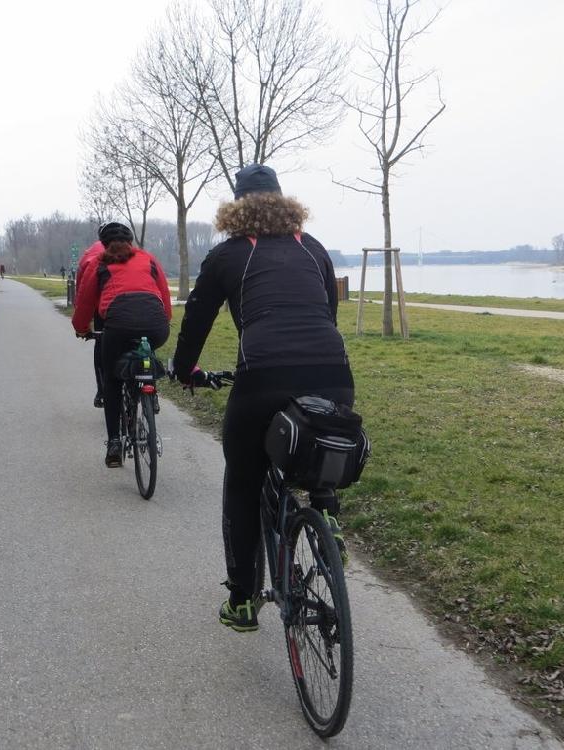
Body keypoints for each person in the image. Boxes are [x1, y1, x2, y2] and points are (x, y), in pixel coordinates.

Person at [170, 164, 353, 633]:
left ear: (236, 206)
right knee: (319, 441)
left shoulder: (228, 253)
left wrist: (185, 369)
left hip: (262, 376)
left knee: (243, 481)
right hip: (332, 371)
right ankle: (326, 513)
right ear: (284, 201)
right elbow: (328, 313)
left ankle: (242, 601)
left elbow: (197, 319)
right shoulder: (313, 248)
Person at [72, 222, 172, 467]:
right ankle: (149, 387)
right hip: (156, 326)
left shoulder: (98, 263)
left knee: (112, 381)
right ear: (131, 242)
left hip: (117, 328)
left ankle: (115, 443)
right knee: (146, 350)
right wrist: (164, 319)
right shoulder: (149, 259)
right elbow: (165, 295)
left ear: (104, 244)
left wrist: (81, 328)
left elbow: (84, 303)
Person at [75, 238, 106, 407]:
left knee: (101, 344)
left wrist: (83, 328)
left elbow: (82, 291)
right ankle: (151, 388)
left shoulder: (89, 256)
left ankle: (102, 392)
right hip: (140, 305)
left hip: (102, 306)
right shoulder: (134, 253)